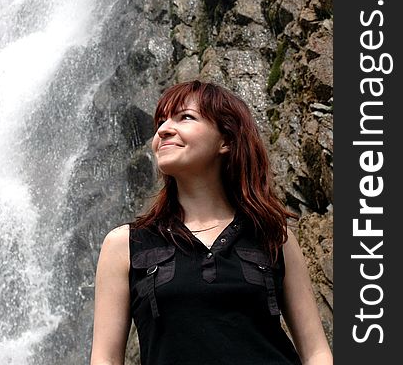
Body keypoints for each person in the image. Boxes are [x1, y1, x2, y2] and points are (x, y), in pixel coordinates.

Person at [90, 80, 333, 365]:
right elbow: (105, 358)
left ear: (226, 141)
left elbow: (316, 352)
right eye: (161, 121)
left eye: (186, 117)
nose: (163, 130)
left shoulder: (273, 235)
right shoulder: (125, 244)